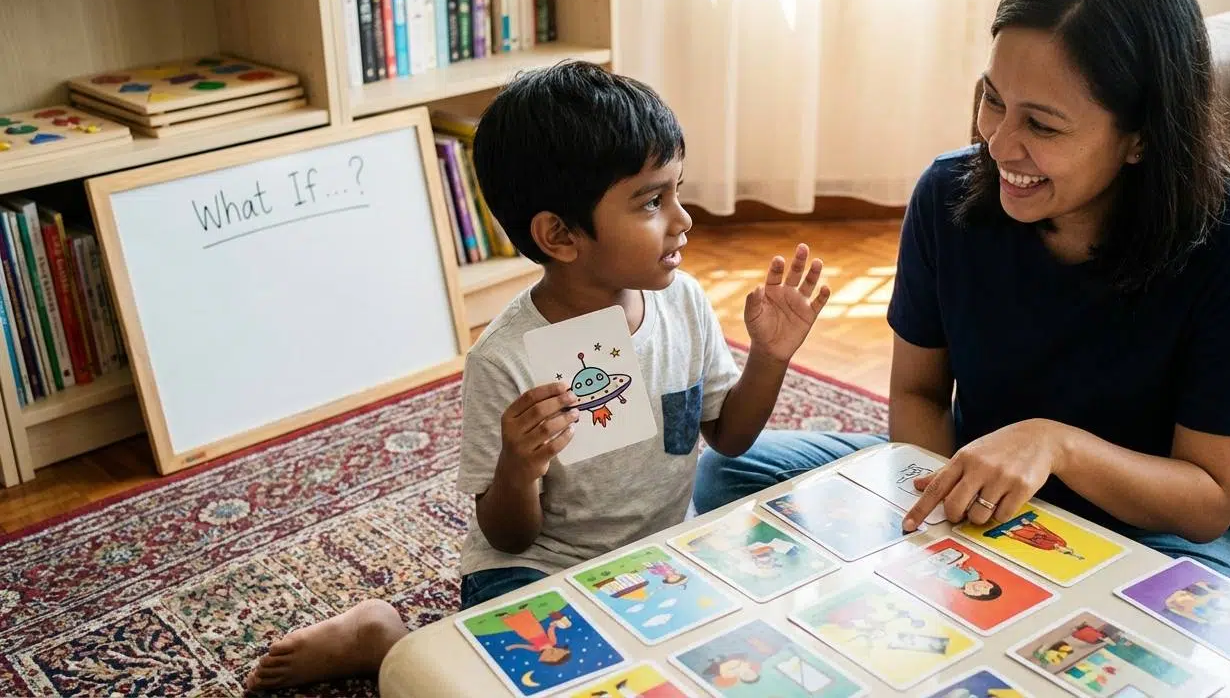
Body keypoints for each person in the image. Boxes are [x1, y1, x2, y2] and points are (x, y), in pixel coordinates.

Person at [691, 0, 1230, 596]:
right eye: (993, 99)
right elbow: (917, 396)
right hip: (968, 481)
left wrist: (1054, 446)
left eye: (1043, 125)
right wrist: (948, 515)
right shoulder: (946, 195)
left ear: (1140, 137)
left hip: (1147, 528)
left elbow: (1209, 501)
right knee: (731, 472)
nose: (999, 143)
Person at [243, 61, 832, 692]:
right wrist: (518, 467)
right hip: (536, 573)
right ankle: (386, 639)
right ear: (559, 235)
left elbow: (731, 438)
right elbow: (508, 535)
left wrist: (769, 358)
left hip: (656, 560)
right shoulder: (505, 358)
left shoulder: (682, 302)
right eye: (651, 202)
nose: (683, 218)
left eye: (676, 191)